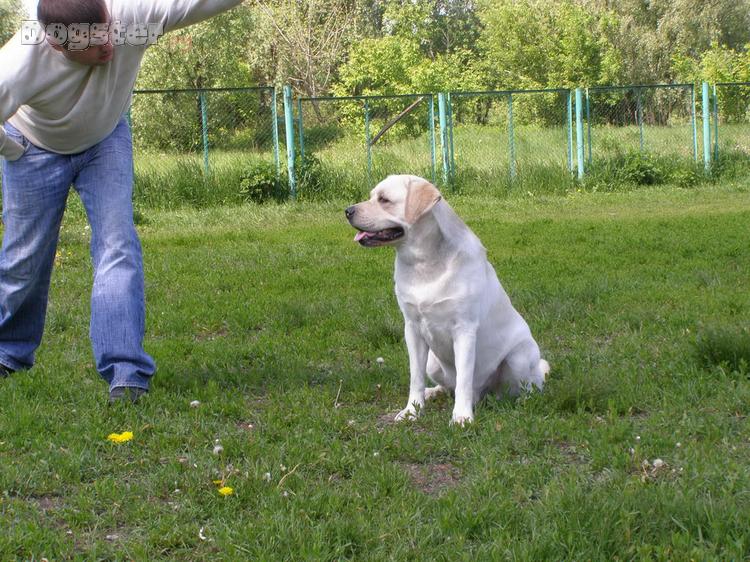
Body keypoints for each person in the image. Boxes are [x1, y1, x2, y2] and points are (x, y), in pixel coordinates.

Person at [0, 0, 243, 402]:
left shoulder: (129, 20)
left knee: (117, 244)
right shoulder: (20, 61)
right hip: (34, 146)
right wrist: (12, 150)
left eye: (106, 32)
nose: (108, 47)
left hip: (105, 138)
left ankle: (126, 372)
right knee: (24, 257)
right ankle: (8, 352)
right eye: (93, 45)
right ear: (57, 45)